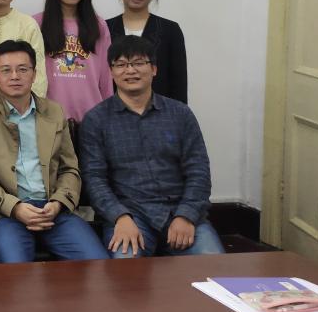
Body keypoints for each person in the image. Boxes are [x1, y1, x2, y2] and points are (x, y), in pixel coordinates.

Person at [80, 35, 225, 259]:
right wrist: (119, 217)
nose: (130, 71)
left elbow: (199, 171)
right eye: (121, 64)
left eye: (138, 63)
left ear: (154, 69)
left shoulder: (180, 114)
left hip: (179, 212)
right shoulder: (96, 120)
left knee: (213, 265)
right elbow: (94, 178)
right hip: (130, 216)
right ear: (111, 72)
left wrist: (186, 215)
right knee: (125, 268)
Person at [0, 40, 108, 263]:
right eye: (6, 70)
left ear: (34, 74)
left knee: (98, 263)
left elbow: (70, 168)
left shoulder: (54, 111)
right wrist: (15, 208)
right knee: (16, 271)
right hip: (5, 214)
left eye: (23, 69)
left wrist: (58, 203)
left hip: (53, 210)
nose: (15, 76)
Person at [34, 0, 111, 122]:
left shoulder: (99, 25)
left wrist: (109, 113)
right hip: (49, 118)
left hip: (92, 117)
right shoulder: (36, 23)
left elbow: (106, 75)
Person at [106, 0, 188, 103]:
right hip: (112, 111)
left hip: (159, 111)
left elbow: (178, 82)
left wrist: (178, 114)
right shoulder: (104, 28)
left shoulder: (170, 30)